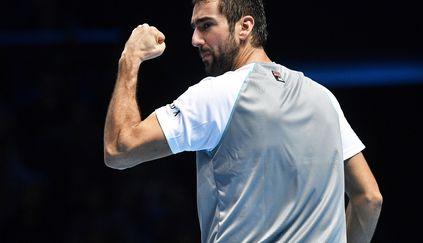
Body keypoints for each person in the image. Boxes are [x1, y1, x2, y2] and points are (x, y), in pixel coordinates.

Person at [103, 0, 383, 242]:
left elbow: (119, 149)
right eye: (194, 28)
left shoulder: (217, 94)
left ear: (244, 26)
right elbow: (369, 198)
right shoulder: (325, 99)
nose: (195, 40)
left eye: (206, 26)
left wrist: (130, 58)